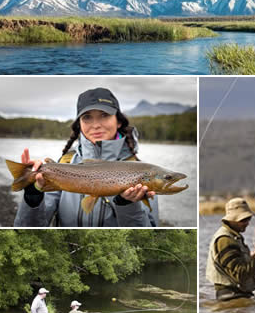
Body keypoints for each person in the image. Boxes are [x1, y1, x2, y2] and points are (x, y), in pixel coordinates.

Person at [14, 87, 158, 227]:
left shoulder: (142, 171)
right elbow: (30, 227)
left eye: (104, 115)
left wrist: (127, 205)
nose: (95, 125)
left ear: (118, 121)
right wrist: (33, 197)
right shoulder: (64, 163)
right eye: (87, 117)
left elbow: (150, 234)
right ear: (80, 124)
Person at [206, 197, 255, 300]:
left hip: (237, 296)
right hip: (231, 298)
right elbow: (240, 274)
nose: (247, 223)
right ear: (232, 219)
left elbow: (238, 266)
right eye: (243, 220)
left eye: (248, 219)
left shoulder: (232, 236)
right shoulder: (225, 240)